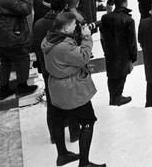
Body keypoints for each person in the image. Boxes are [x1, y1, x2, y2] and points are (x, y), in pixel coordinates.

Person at [42, 11, 106, 167]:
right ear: (64, 28)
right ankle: (84, 163)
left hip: (56, 87)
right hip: (71, 89)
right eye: (73, 25)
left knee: (58, 121)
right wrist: (86, 37)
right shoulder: (64, 47)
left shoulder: (49, 39)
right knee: (88, 121)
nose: (76, 26)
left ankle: (62, 155)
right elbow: (84, 56)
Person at [32, 0, 81, 145]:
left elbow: (35, 47)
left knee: (53, 103)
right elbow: (75, 49)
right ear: (65, 6)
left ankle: (55, 135)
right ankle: (74, 133)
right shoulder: (67, 25)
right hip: (67, 70)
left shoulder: (39, 23)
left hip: (48, 70)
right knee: (71, 101)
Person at [99, 0, 137, 106]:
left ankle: (113, 97)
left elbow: (102, 35)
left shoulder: (106, 18)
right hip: (123, 53)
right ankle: (117, 97)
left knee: (111, 76)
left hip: (110, 51)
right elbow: (132, 41)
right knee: (121, 76)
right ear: (124, 3)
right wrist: (133, 56)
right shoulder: (128, 20)